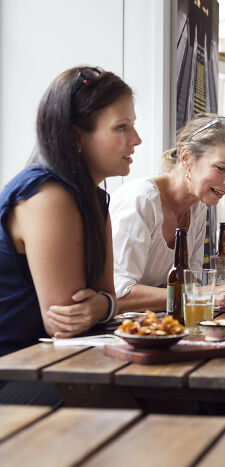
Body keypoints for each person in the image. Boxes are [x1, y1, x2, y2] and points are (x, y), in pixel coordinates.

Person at [0, 66, 141, 405]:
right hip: (12, 369)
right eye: (122, 127)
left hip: (46, 361)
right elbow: (65, 324)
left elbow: (106, 296)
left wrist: (102, 305)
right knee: (124, 401)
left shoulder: (95, 198)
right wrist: (101, 306)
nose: (136, 140)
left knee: (164, 392)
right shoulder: (46, 195)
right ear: (78, 136)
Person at [110, 114, 225, 313]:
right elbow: (118, 295)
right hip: (115, 334)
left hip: (162, 328)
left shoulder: (198, 207)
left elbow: (189, 284)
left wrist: (198, 293)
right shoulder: (140, 200)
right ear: (186, 157)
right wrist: (206, 293)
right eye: (221, 168)